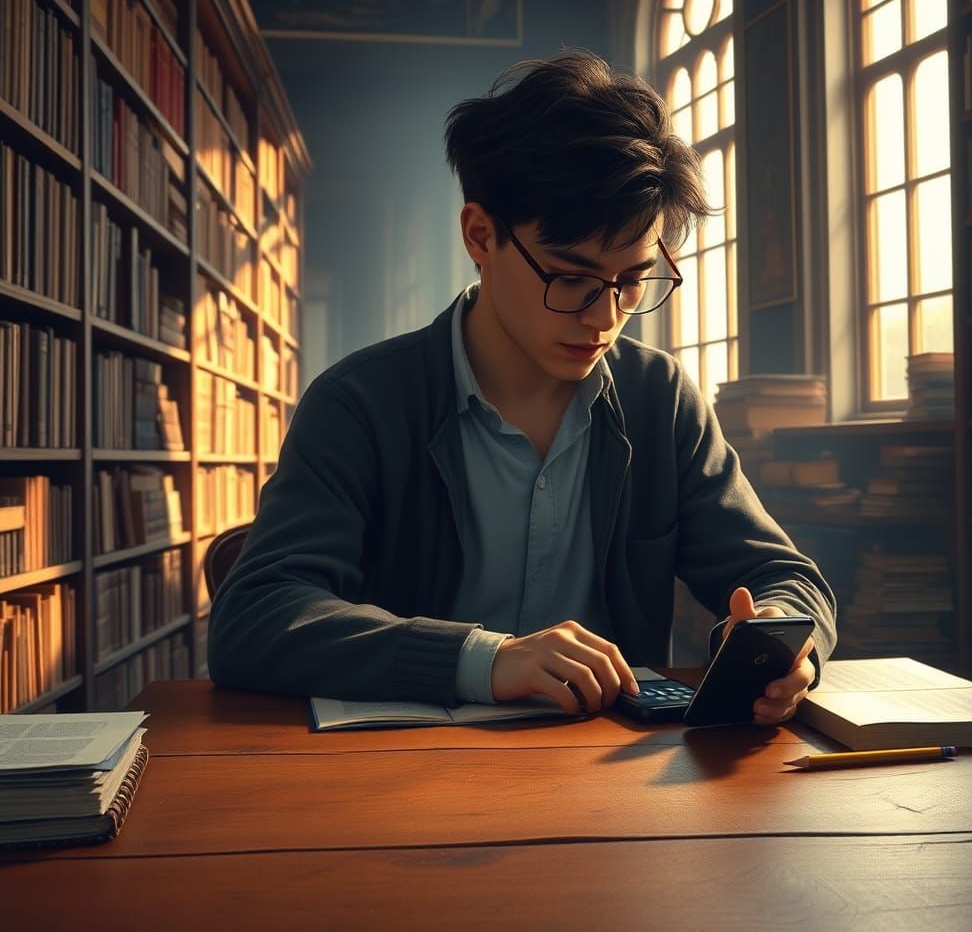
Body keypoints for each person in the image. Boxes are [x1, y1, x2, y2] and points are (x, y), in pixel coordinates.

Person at [207, 49, 837, 725]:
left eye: (631, 280)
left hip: (612, 767)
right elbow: (255, 616)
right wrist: (483, 660)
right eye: (571, 278)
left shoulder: (661, 401)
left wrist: (778, 638)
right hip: (404, 765)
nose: (604, 317)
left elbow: (785, 578)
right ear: (481, 236)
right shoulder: (359, 404)